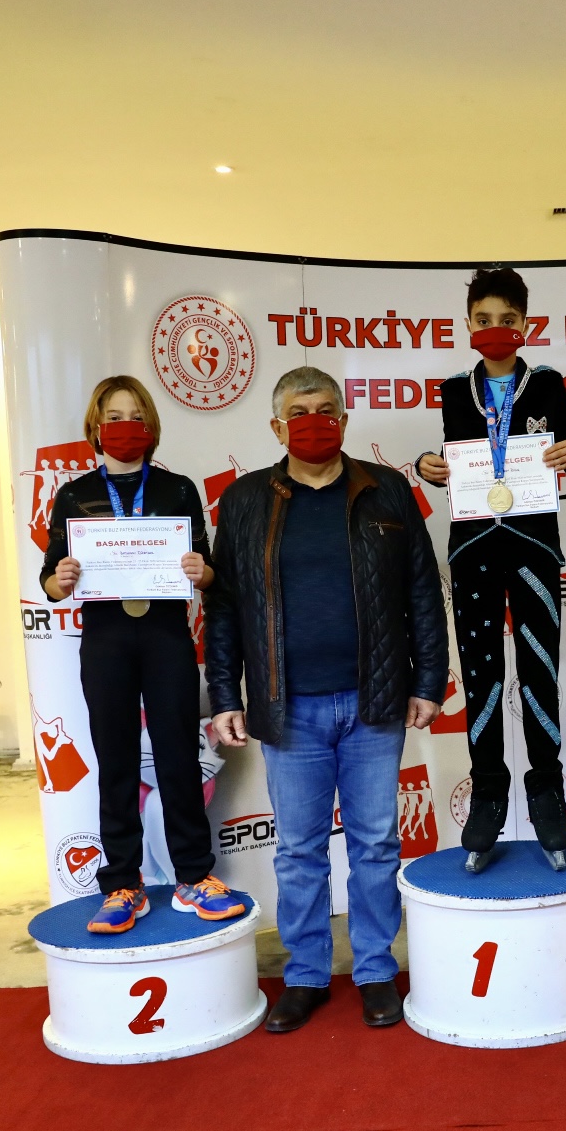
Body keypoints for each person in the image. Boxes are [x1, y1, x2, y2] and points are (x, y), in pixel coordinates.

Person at [206, 366, 447, 1033]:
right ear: (276, 425)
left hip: (374, 701)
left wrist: (429, 680)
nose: (314, 421)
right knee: (298, 850)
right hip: (289, 707)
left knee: (375, 844)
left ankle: (374, 969)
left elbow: (422, 590)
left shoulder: (386, 489)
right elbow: (225, 606)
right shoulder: (245, 500)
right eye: (299, 412)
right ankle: (307, 974)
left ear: (344, 419)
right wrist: (225, 693)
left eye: (326, 409)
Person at [39, 375, 245, 934]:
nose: (125, 426)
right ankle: (123, 883)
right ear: (95, 426)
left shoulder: (177, 489)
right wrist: (61, 578)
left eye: (135, 416)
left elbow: (207, 568)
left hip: (165, 636)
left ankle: (194, 876)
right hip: (105, 640)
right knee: (116, 762)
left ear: (151, 426)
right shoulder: (74, 495)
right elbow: (50, 581)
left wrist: (203, 572)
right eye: (114, 417)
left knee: (178, 756)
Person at [414, 268, 566, 874]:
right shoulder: (453, 391)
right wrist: (428, 465)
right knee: (482, 675)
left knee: (540, 672)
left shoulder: (547, 384)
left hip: (534, 545)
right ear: (468, 324)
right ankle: (489, 791)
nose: (496, 329)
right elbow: (452, 460)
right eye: (483, 320)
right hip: (473, 550)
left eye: (507, 320)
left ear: (525, 324)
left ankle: (547, 790)